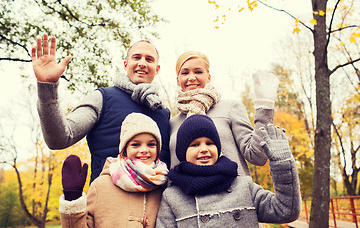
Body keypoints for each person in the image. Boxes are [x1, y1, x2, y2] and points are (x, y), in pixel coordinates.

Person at [31, 34, 170, 182]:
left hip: (154, 203)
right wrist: (47, 87)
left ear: (157, 69)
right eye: (136, 57)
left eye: (149, 59)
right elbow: (59, 138)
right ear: (125, 64)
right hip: (107, 199)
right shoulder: (102, 98)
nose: (142, 63)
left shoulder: (163, 113)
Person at [156, 114, 301, 227]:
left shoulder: (243, 186)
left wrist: (282, 165)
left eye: (210, 143)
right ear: (183, 153)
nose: (204, 149)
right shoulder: (172, 196)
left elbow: (285, 210)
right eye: (195, 145)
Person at [169, 51, 279, 175]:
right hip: (188, 194)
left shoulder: (230, 108)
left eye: (198, 72)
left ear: (208, 77)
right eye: (185, 73)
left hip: (233, 192)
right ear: (178, 80)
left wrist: (264, 106)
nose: (192, 77)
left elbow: (257, 156)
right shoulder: (172, 123)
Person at [59, 113, 168, 228]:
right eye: (135, 144)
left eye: (151, 144)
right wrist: (73, 198)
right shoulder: (100, 186)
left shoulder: (164, 184)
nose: (144, 150)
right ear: (124, 149)